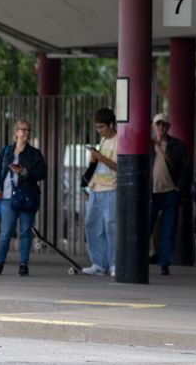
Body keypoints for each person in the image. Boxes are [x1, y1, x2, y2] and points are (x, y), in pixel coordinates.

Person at [0, 119, 47, 277]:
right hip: (7, 197)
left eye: (29, 130)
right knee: (6, 232)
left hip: (27, 196)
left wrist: (25, 172)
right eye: (23, 130)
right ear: (16, 132)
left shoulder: (35, 153)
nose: (26, 133)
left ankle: (23, 265)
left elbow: (42, 173)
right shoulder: (7, 151)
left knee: (25, 233)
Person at [147, 113, 187, 275]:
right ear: (153, 126)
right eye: (158, 124)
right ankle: (142, 258)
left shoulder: (178, 145)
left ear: (169, 127)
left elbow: (185, 168)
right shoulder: (147, 144)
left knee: (168, 230)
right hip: (152, 193)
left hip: (170, 192)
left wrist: (179, 188)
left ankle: (164, 262)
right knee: (146, 228)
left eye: (164, 124)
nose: (161, 127)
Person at [82, 108, 119, 276]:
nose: (100, 130)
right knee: (92, 225)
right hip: (96, 189)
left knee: (111, 227)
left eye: (102, 127)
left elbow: (119, 167)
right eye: (97, 127)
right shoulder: (103, 140)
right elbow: (98, 165)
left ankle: (114, 263)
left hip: (112, 189)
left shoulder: (119, 141)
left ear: (111, 125)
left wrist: (100, 157)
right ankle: (98, 263)